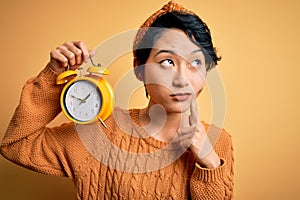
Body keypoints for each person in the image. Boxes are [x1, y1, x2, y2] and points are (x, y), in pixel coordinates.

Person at [0, 1, 234, 199]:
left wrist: (209, 162)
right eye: (167, 62)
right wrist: (54, 75)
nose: (182, 79)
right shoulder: (100, 132)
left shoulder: (219, 142)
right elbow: (15, 145)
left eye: (196, 63)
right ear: (139, 69)